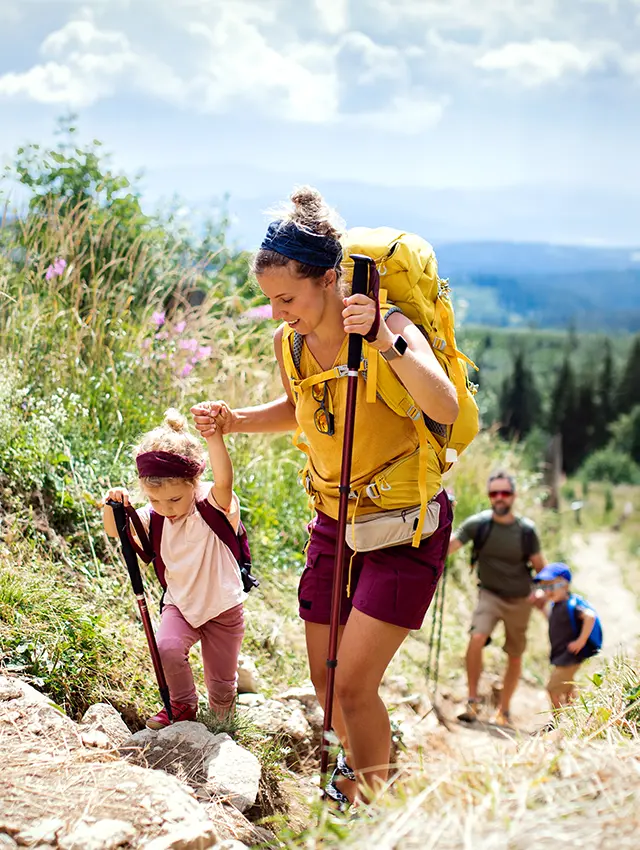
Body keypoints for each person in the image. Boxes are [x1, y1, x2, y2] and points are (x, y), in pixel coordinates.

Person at [192, 186, 458, 805]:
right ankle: (361, 780)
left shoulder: (388, 326)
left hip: (403, 527)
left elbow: (442, 402)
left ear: (330, 278)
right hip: (333, 521)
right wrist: (235, 420)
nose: (280, 311)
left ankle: (374, 806)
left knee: (355, 686)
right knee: (326, 680)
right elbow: (302, 408)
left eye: (287, 297)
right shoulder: (291, 342)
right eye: (271, 301)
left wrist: (387, 344)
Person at [102, 408, 245, 729]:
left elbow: (224, 478)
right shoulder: (154, 517)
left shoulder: (212, 504)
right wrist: (111, 505)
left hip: (223, 606)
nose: (166, 509)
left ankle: (223, 721)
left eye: (175, 500)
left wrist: (214, 436)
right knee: (167, 647)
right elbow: (115, 530)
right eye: (155, 500)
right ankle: (182, 705)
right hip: (180, 602)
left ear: (194, 483)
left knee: (221, 682)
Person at [447, 471, 545, 726]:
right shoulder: (478, 524)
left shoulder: (526, 531)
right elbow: (449, 546)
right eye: (494, 493)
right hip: (489, 594)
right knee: (476, 637)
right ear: (489, 496)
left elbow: (541, 568)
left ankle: (504, 709)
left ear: (514, 496)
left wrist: (543, 593)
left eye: (505, 493)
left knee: (514, 654)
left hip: (520, 600)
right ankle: (472, 702)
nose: (499, 498)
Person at [532, 563, 598, 711]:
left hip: (570, 656)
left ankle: (558, 719)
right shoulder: (557, 606)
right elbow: (554, 622)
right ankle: (573, 713)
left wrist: (581, 641)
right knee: (568, 688)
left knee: (552, 689)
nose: (547, 592)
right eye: (544, 588)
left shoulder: (572, 605)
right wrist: (542, 609)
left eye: (551, 586)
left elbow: (590, 617)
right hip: (562, 654)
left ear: (565, 585)